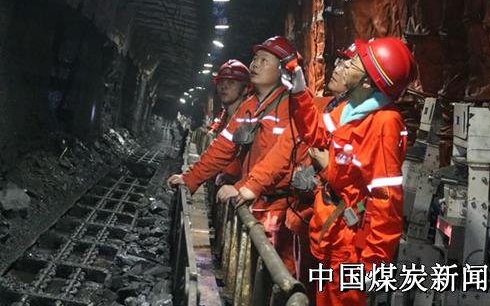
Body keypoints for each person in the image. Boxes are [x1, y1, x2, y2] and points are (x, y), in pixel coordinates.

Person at [236, 37, 415, 306]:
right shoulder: (350, 109)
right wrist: (300, 92)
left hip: (351, 246)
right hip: (331, 233)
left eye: (354, 63)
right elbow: (315, 132)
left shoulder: (383, 123)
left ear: (368, 82)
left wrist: (372, 264)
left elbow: (385, 199)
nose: (345, 65)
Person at [167, 36, 308, 276]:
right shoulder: (250, 106)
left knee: (278, 274)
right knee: (255, 271)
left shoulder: (292, 106)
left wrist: (244, 186)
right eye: (255, 58)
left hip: (280, 206)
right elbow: (223, 147)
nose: (255, 64)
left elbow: (283, 158)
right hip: (256, 200)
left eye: (264, 60)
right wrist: (191, 178)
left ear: (283, 70)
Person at [206, 60, 251, 185]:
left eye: (231, 82)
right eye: (221, 82)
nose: (224, 87)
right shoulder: (224, 116)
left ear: (245, 89)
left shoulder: (249, 120)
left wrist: (232, 177)